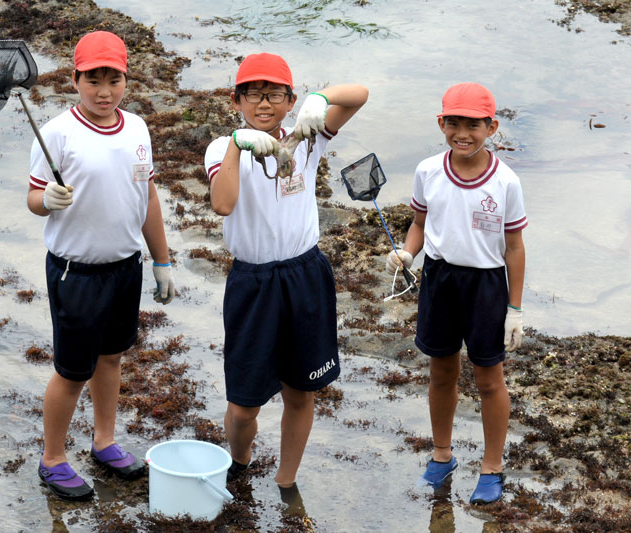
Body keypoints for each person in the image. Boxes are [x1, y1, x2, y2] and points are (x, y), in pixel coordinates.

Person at [204, 52, 368, 503]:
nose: (264, 103)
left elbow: (359, 95)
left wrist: (320, 97)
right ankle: (239, 462)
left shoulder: (307, 138)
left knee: (302, 390)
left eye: (275, 94)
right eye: (253, 94)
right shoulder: (221, 148)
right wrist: (240, 144)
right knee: (243, 405)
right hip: (252, 283)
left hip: (304, 274)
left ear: (289, 99)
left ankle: (286, 479)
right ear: (236, 99)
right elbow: (222, 204)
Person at [27, 30, 175, 501]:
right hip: (76, 271)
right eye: (93, 79)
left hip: (125, 266)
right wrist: (46, 199)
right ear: (76, 79)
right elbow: (33, 198)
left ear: (126, 80)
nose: (104, 90)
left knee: (112, 357)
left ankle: (104, 441)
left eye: (114, 79)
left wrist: (162, 260)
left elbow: (146, 194)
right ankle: (52, 459)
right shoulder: (55, 134)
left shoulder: (137, 129)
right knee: (72, 372)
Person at [386, 82, 526, 504]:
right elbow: (420, 225)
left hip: (486, 285)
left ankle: (492, 466)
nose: (462, 132)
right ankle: (442, 455)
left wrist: (515, 308)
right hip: (439, 280)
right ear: (440, 123)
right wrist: (407, 253)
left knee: (489, 379)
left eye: (473, 124)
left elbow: (515, 247)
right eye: (453, 122)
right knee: (441, 372)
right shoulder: (428, 170)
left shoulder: (506, 181)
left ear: (492, 127)